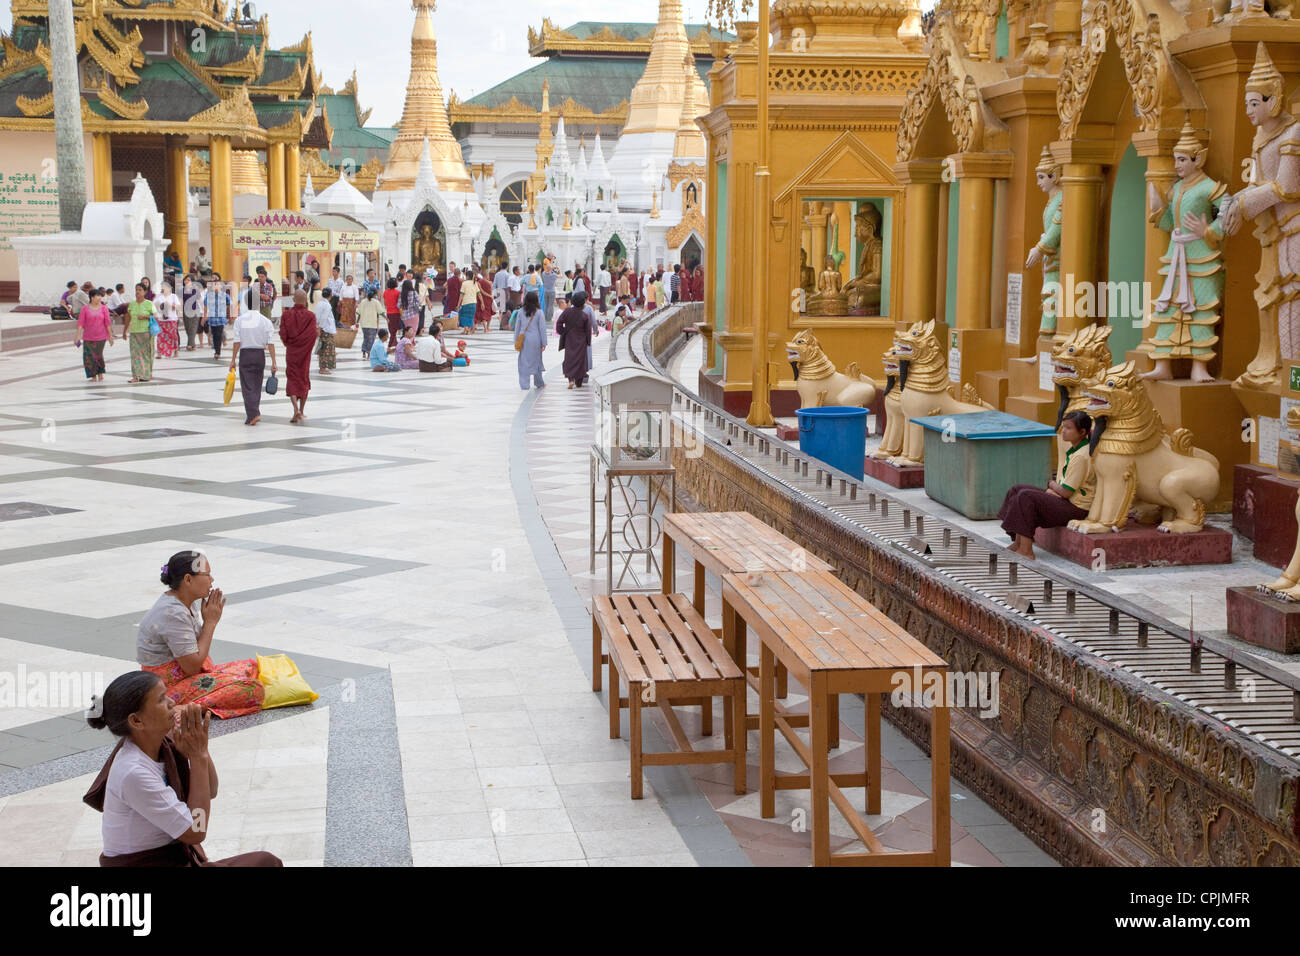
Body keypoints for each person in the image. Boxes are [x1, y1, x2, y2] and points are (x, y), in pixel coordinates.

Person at [84, 671, 282, 867]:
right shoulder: (133, 771)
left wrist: (200, 750)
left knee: (265, 862)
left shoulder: (163, 744)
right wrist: (197, 757)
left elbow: (210, 790)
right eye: (161, 700)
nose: (171, 702)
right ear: (136, 721)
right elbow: (196, 831)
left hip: (172, 858)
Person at [136, 551, 264, 718]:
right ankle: (182, 707)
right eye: (207, 575)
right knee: (254, 690)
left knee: (251, 666)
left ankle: (199, 697)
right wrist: (210, 623)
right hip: (166, 687)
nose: (212, 580)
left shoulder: (184, 602)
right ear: (188, 579)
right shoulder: (172, 613)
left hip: (185, 676)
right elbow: (192, 666)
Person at [997, 411, 1095, 560]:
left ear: (1082, 432)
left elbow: (1066, 492)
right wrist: (1055, 489)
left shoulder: (1081, 456)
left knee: (1026, 497)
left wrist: (1052, 484)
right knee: (1016, 489)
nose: (1063, 431)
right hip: (1066, 500)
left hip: (1077, 508)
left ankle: (1026, 550)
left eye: (1068, 428)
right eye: (1063, 427)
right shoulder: (1075, 451)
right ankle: (1017, 543)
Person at [230, 291, 278, 426]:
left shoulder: (239, 321)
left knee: (247, 386)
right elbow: (271, 343)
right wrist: (274, 361)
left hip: (245, 354)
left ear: (246, 302)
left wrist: (233, 359)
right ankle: (254, 412)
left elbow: (237, 342)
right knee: (256, 385)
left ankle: (253, 414)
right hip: (259, 355)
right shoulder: (266, 321)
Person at [279, 290, 316, 423]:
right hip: (305, 354)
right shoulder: (311, 316)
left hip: (292, 352)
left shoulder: (286, 315)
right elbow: (313, 335)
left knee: (292, 378)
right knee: (303, 378)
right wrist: (306, 349)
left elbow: (283, 333)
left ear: (294, 300)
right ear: (306, 300)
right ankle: (302, 409)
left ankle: (295, 409)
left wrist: (288, 344)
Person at [76, 287, 115, 382]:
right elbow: (80, 323)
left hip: (101, 337)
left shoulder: (104, 308)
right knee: (89, 357)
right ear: (92, 297)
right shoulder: (85, 309)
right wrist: (78, 336)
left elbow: (107, 323)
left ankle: (100, 374)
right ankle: (93, 376)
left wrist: (110, 336)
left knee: (98, 355)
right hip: (88, 337)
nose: (99, 298)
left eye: (100, 296)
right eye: (97, 296)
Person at [555, 289, 592, 389]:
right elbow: (588, 331)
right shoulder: (584, 316)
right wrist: (588, 341)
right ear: (582, 304)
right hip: (581, 341)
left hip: (569, 340)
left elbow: (559, 323)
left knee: (569, 359)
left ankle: (571, 380)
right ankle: (579, 382)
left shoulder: (567, 312)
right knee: (580, 361)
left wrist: (563, 332)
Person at [513, 290, 546, 390]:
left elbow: (517, 327)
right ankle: (539, 382)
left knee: (523, 361)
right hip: (536, 339)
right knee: (537, 360)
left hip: (524, 339)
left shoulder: (520, 311)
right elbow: (542, 329)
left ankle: (524, 384)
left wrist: (516, 340)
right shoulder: (539, 312)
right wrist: (544, 342)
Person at [122, 283, 155, 383]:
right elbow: (128, 317)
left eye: (140, 290)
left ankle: (146, 374)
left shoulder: (149, 303)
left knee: (146, 354)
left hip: (146, 332)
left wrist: (145, 317)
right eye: (136, 290)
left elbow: (156, 317)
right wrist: (124, 331)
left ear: (145, 292)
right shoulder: (132, 304)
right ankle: (136, 376)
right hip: (134, 332)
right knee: (135, 354)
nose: (137, 292)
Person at [203, 274, 232, 359]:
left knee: (219, 334)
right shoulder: (209, 295)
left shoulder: (225, 296)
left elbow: (228, 306)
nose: (216, 286)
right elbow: (205, 306)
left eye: (217, 284)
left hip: (220, 319)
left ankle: (217, 352)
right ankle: (216, 349)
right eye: (214, 285)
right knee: (214, 334)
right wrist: (204, 316)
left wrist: (229, 317)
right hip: (212, 319)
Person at [154, 281, 181, 359]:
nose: (163, 289)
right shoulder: (159, 296)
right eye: (162, 287)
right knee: (160, 336)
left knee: (173, 335)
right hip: (161, 319)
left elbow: (178, 307)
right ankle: (160, 352)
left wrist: (170, 305)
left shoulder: (173, 296)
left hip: (171, 319)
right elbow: (154, 305)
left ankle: (175, 350)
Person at [315, 288, 337, 375]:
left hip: (321, 328)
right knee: (326, 349)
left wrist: (317, 327)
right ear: (330, 295)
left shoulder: (319, 304)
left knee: (323, 348)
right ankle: (323, 368)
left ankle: (322, 367)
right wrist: (320, 328)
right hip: (326, 329)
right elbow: (324, 318)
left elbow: (316, 316)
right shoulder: (327, 305)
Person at [357, 287, 384, 357]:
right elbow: (381, 312)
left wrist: (357, 322)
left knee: (365, 338)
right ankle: (369, 352)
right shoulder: (376, 302)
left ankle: (363, 352)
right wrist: (387, 318)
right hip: (372, 324)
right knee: (371, 339)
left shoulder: (363, 301)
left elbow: (359, 313)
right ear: (375, 294)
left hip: (364, 324)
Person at [180, 276, 202, 350]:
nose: (186, 281)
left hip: (195, 310)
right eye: (185, 280)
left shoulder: (195, 290)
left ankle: (189, 345)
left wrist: (204, 311)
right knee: (188, 328)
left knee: (193, 327)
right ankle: (193, 345)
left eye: (188, 280)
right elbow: (181, 301)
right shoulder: (182, 290)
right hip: (185, 310)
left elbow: (200, 300)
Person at [383, 277, 402, 350]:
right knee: (394, 331)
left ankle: (395, 343)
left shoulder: (385, 292)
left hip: (389, 312)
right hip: (396, 313)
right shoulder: (397, 293)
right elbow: (399, 303)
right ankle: (389, 345)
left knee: (391, 329)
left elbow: (385, 303)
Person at [457, 268, 477, 334]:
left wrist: (458, 304)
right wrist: (482, 303)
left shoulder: (464, 283)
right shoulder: (475, 283)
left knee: (463, 317)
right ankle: (468, 330)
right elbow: (479, 294)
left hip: (466, 303)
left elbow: (461, 295)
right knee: (471, 317)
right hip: (474, 303)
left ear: (467, 276)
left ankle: (467, 330)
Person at [475, 268, 494, 332]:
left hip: (481, 300)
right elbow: (490, 291)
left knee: (483, 313)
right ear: (487, 275)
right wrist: (490, 296)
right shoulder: (489, 283)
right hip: (488, 299)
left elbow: (481, 291)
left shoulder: (479, 282)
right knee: (489, 313)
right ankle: (487, 328)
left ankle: (485, 328)